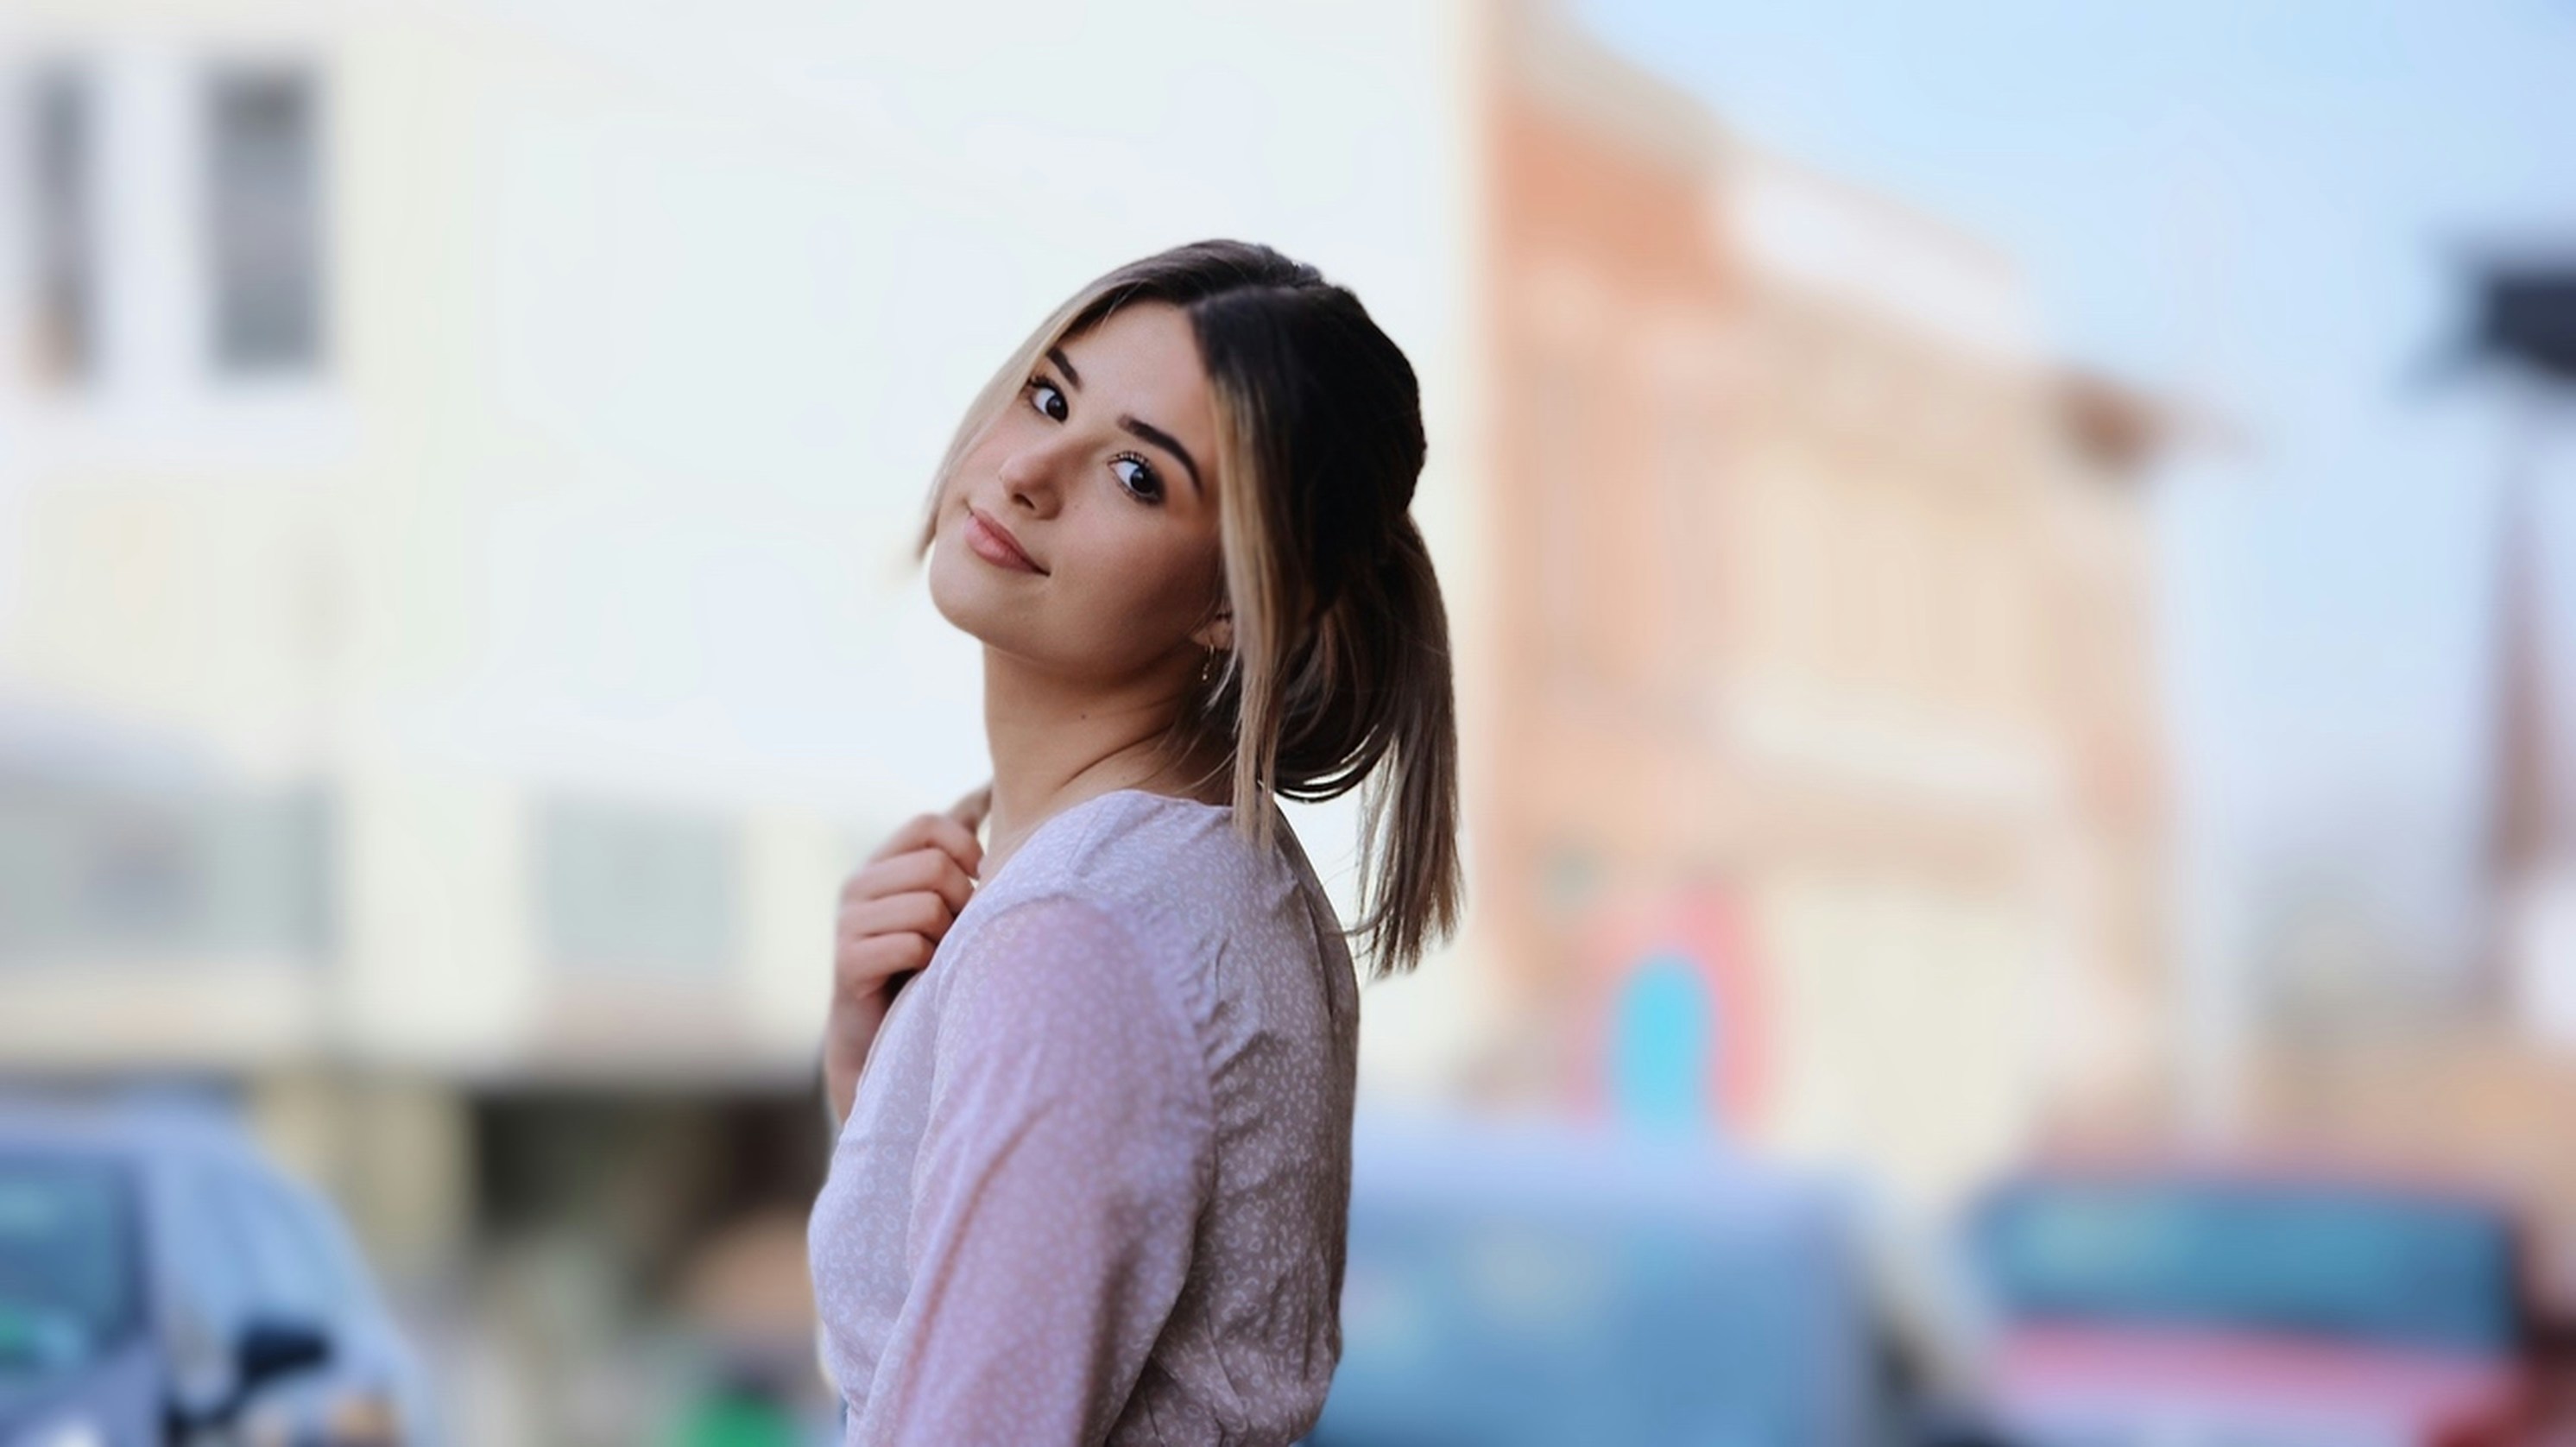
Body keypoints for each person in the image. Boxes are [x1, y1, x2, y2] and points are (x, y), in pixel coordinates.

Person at [805, 239, 1460, 1445]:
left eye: (1138, 477)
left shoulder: (1081, 936)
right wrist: (884, 1063)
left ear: (1233, 604)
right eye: (1050, 397)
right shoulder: (1202, 883)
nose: (1031, 471)